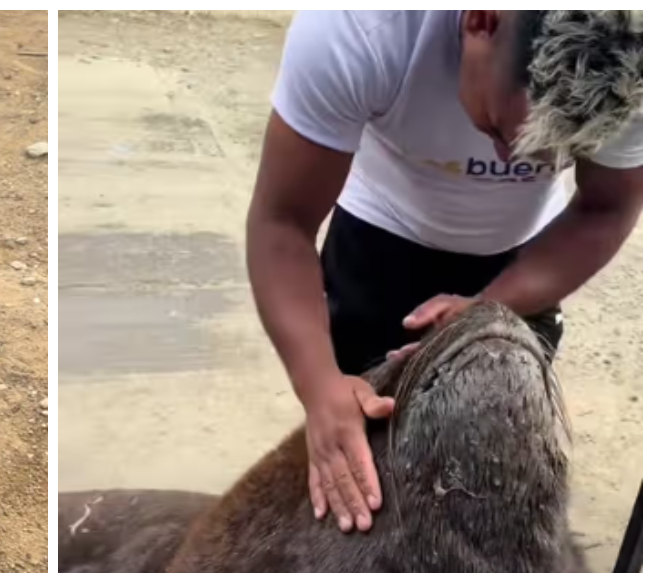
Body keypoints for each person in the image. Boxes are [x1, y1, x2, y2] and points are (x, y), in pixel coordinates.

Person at [246, 10, 643, 534]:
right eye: (502, 129)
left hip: (524, 255)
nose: (507, 160)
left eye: (552, 156)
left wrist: (494, 306)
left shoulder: (634, 60)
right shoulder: (362, 28)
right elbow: (282, 222)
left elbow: (606, 208)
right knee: (366, 466)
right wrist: (319, 386)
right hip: (381, 236)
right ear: (481, 21)